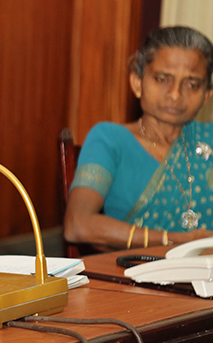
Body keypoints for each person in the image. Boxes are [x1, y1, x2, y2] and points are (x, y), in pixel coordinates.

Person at [65, 26, 213, 251]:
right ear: (137, 83)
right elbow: (78, 224)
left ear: (206, 96)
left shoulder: (208, 139)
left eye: (191, 84)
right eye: (163, 79)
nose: (175, 94)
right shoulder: (110, 140)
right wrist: (177, 241)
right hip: (132, 278)